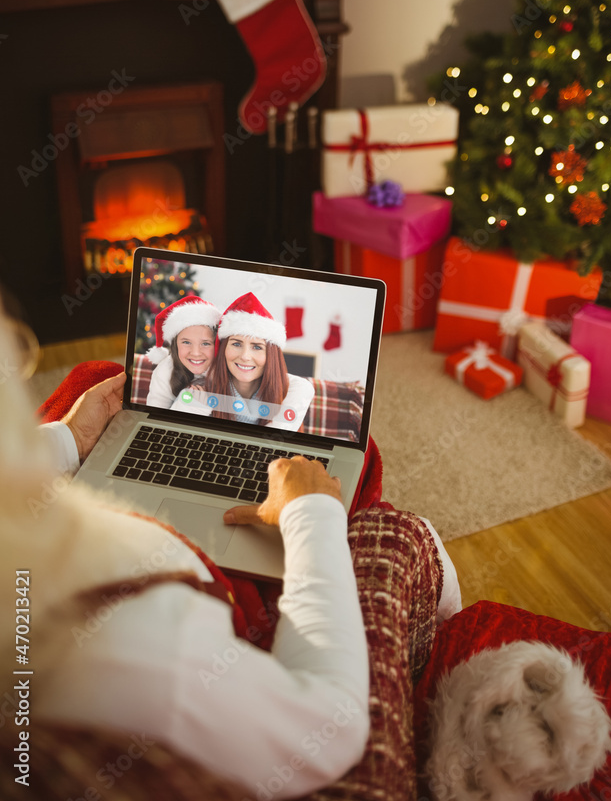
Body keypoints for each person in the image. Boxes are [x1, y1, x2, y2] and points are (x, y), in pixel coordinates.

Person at [2, 302, 462, 800]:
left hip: (112, 497)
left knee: (98, 378)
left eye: (257, 344)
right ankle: (443, 627)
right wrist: (311, 511)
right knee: (371, 481)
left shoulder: (292, 391)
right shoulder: (127, 636)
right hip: (208, 583)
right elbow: (322, 731)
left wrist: (70, 438)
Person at [199, 291, 315, 430]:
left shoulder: (293, 390)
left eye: (257, 347)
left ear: (271, 356)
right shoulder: (201, 386)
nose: (245, 356)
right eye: (236, 344)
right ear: (223, 349)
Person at [145, 296, 221, 409]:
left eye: (205, 343)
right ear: (175, 345)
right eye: (186, 342)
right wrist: (186, 405)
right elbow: (155, 415)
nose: (195, 353)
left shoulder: (225, 367)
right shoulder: (165, 371)